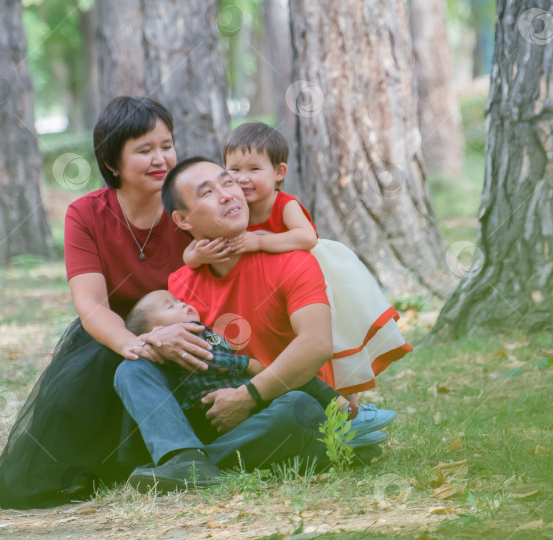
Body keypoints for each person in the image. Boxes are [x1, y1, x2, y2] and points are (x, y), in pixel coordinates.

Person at [0, 97, 219, 509]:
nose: (160, 159)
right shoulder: (86, 214)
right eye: (144, 150)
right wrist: (140, 344)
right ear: (112, 161)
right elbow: (91, 304)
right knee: (110, 362)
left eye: (166, 145)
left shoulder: (190, 208)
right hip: (112, 335)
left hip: (191, 329)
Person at [116, 157, 395, 493]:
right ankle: (186, 457)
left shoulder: (293, 262)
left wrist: (248, 396)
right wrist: (155, 340)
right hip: (210, 411)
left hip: (274, 406)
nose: (227, 195)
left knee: (299, 408)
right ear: (182, 219)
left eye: (228, 183)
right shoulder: (179, 285)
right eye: (207, 193)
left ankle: (194, 465)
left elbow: (316, 344)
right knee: (130, 369)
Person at [184, 122, 412, 397]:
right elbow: (189, 256)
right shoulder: (231, 209)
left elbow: (307, 238)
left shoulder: (283, 203)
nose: (242, 178)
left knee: (330, 336)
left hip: (307, 278)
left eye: (254, 169)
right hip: (262, 287)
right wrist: (198, 255)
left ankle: (345, 395)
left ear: (279, 172)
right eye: (234, 170)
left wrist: (259, 241)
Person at [124, 290, 389, 447]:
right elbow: (212, 360)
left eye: (178, 300)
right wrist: (248, 364)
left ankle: (345, 426)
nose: (182, 304)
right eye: (170, 306)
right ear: (158, 332)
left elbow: (220, 349)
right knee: (292, 386)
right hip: (217, 402)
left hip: (229, 393)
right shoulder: (185, 342)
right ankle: (345, 416)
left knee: (290, 386)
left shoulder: (197, 332)